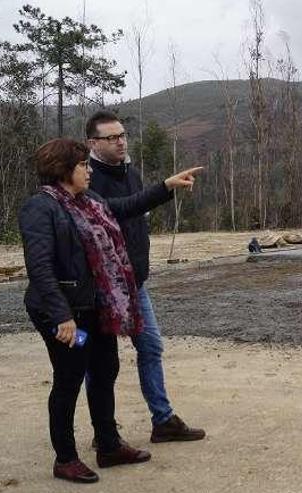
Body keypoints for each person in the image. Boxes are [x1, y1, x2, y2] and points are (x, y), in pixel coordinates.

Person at [20, 138, 202, 483]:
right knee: (69, 377)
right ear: (62, 170)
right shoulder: (40, 208)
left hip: (95, 307)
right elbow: (40, 268)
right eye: (82, 166)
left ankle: (108, 445)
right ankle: (65, 458)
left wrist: (166, 187)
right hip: (61, 313)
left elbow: (127, 205)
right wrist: (63, 317)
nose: (88, 171)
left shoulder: (90, 201)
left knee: (105, 369)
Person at [86, 110, 206, 443]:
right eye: (112, 137)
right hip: (103, 287)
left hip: (135, 282)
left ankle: (163, 420)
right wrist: (165, 187)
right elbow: (118, 208)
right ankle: (103, 430)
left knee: (151, 347)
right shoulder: (87, 178)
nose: (121, 141)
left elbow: (137, 214)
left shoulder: (131, 172)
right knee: (101, 362)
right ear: (92, 143)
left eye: (123, 135)